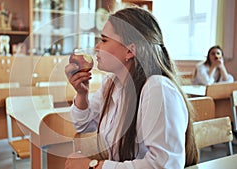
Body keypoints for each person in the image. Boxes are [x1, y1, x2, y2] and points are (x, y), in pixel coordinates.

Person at [64, 6, 199, 169]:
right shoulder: (111, 84)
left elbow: (164, 165)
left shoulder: (157, 89)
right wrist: (81, 94)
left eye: (104, 40)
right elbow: (83, 125)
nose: (96, 47)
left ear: (130, 51)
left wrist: (93, 166)